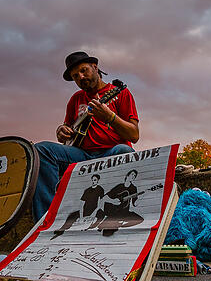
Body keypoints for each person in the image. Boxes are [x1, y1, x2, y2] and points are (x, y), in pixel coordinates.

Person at [32, 51, 139, 223]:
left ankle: (114, 216)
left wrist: (110, 117)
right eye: (75, 76)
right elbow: (67, 133)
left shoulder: (120, 93)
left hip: (110, 153)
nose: (81, 77)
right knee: (41, 150)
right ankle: (47, 219)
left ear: (95, 68)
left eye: (84, 71)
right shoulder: (75, 99)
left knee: (124, 150)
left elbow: (134, 135)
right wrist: (62, 131)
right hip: (81, 156)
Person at [51, 174, 105, 239]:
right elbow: (82, 204)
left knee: (102, 214)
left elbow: (100, 202)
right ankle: (61, 230)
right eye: (92, 180)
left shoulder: (100, 189)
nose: (93, 182)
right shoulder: (87, 190)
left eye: (95, 180)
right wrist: (81, 216)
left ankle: (92, 227)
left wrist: (94, 213)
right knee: (72, 216)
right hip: (86, 210)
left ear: (98, 180)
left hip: (95, 209)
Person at [93, 169, 145, 236]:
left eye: (135, 176)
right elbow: (105, 197)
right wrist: (113, 201)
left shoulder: (133, 188)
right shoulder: (119, 187)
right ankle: (108, 222)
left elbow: (135, 203)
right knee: (106, 234)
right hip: (114, 210)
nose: (133, 176)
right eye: (132, 174)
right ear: (127, 175)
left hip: (124, 212)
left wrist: (142, 197)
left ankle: (117, 224)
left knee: (139, 219)